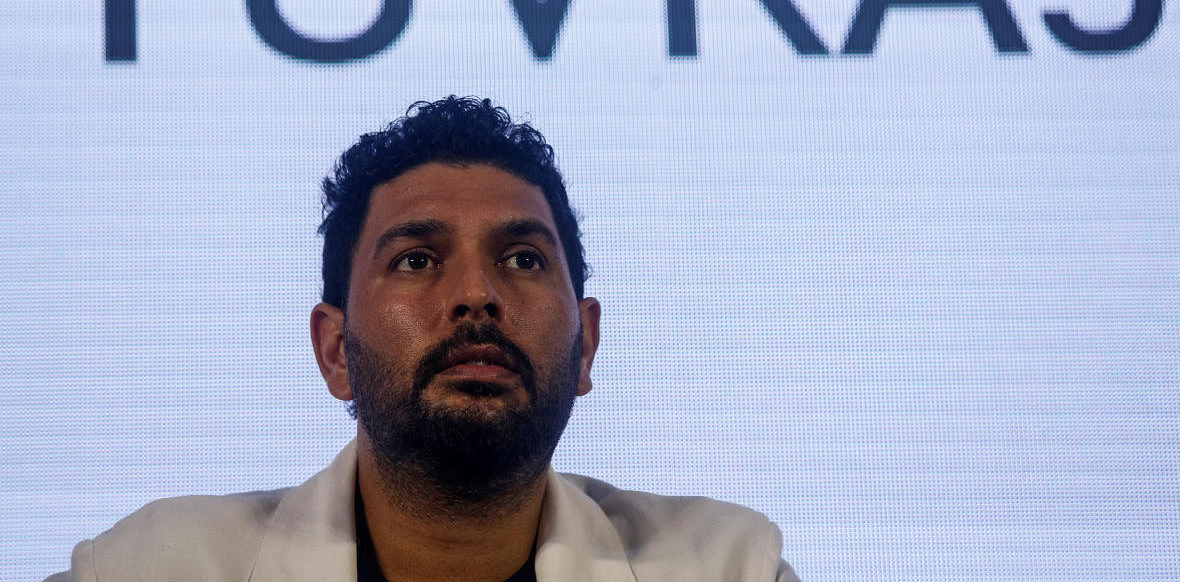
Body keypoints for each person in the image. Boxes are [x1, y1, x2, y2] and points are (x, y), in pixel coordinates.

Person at [47, 97, 797, 582]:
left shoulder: (728, 565)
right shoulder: (149, 567)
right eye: (416, 260)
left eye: (523, 259)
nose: (477, 295)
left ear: (587, 344)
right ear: (335, 350)